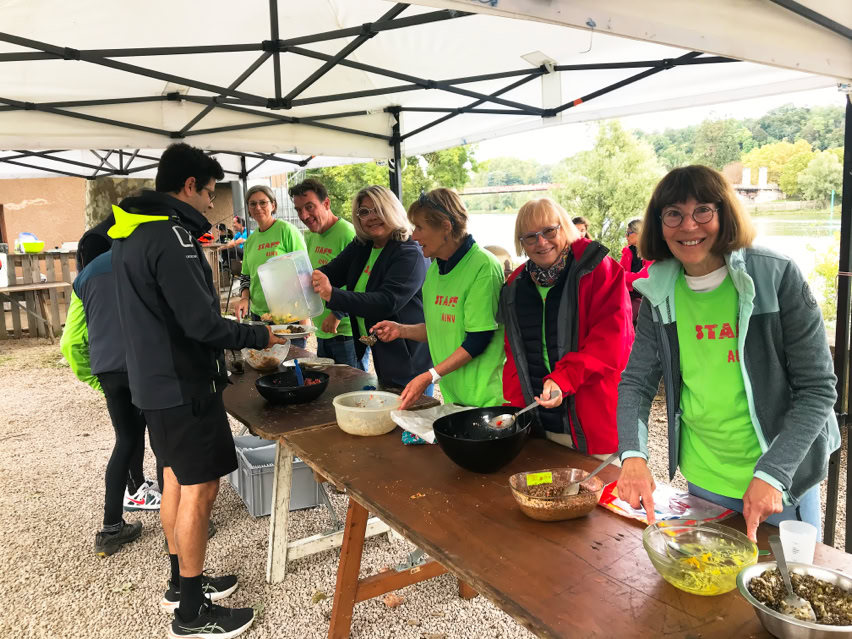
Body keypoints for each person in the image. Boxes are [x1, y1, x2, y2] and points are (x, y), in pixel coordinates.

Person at [110, 142, 287, 639]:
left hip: (153, 383)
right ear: (189, 186)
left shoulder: (131, 233)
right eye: (210, 193)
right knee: (200, 489)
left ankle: (181, 583)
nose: (212, 203)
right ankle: (191, 614)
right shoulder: (172, 237)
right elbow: (201, 325)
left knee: (174, 479)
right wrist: (261, 334)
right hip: (184, 385)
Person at [616, 165, 840, 542]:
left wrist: (773, 473)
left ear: (725, 213)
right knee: (712, 571)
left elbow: (817, 389)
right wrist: (633, 455)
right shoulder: (659, 291)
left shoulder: (776, 275)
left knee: (786, 578)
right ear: (659, 224)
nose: (689, 225)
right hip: (704, 476)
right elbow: (636, 384)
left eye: (703, 210)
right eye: (673, 214)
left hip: (779, 480)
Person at [498, 198, 633, 460]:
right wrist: (515, 412)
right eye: (530, 237)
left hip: (594, 421)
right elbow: (513, 356)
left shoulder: (599, 270)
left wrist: (563, 378)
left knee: (597, 485)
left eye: (549, 231)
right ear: (521, 243)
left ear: (565, 228)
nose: (541, 242)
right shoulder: (515, 285)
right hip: (537, 421)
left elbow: (613, 344)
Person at [61, 249, 161, 558]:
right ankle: (183, 523)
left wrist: (98, 381)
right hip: (146, 363)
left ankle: (110, 529)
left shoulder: (87, 274)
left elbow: (70, 341)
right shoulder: (146, 259)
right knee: (164, 440)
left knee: (126, 441)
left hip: (107, 369)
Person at [373, 189, 505, 411]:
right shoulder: (434, 270)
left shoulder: (484, 266)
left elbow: (478, 339)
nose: (414, 236)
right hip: (454, 395)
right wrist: (401, 330)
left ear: (445, 227)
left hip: (487, 398)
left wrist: (430, 375)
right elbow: (441, 328)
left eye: (420, 227)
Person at [311, 185, 431, 388]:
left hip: (409, 360)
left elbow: (387, 301)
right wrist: (305, 276)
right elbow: (331, 271)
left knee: (408, 408)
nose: (372, 217)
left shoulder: (410, 252)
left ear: (392, 209)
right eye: (364, 212)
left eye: (378, 209)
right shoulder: (362, 246)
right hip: (380, 350)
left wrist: (333, 295)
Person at [289, 178, 360, 368]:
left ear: (326, 203)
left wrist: (337, 314)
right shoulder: (312, 236)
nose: (304, 215)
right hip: (322, 330)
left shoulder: (347, 233)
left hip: (345, 332)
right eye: (299, 210)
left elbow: (359, 282)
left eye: (309, 207)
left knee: (352, 384)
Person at [234, 185, 308, 348]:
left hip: (289, 315)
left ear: (273, 205)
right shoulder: (250, 241)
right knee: (265, 359)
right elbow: (246, 276)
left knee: (291, 360)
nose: (257, 207)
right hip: (259, 316)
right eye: (252, 204)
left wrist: (305, 316)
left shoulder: (287, 230)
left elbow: (303, 272)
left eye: (263, 202)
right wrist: (244, 298)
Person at [619, 218, 652, 326]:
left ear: (639, 232)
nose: (626, 236)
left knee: (627, 318)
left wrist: (624, 275)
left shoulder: (651, 251)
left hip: (645, 298)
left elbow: (644, 277)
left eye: (629, 233)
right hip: (628, 296)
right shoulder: (628, 251)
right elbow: (618, 274)